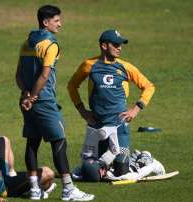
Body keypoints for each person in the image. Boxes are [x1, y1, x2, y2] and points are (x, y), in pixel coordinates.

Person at [15, 4, 94, 201]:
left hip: (26, 100)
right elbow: (44, 74)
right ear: (45, 22)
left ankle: (34, 189)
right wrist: (34, 96)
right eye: (57, 21)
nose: (60, 24)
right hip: (43, 101)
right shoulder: (51, 45)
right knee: (59, 142)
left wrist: (26, 95)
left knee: (32, 142)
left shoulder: (26, 43)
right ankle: (68, 189)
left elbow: (18, 75)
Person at [67, 29, 155, 176]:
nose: (119, 48)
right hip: (97, 128)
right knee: (93, 172)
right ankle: (108, 163)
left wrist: (136, 109)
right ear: (104, 46)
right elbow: (72, 86)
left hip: (119, 125)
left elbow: (149, 87)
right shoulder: (89, 65)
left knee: (121, 169)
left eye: (120, 44)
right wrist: (82, 110)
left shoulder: (126, 67)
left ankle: (146, 160)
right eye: (115, 44)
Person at [75, 149, 166, 182]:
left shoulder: (86, 173)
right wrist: (153, 165)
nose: (103, 168)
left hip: (122, 158)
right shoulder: (118, 176)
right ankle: (147, 159)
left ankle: (138, 157)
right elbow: (138, 175)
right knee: (133, 173)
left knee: (117, 156)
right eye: (101, 168)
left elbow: (76, 173)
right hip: (134, 168)